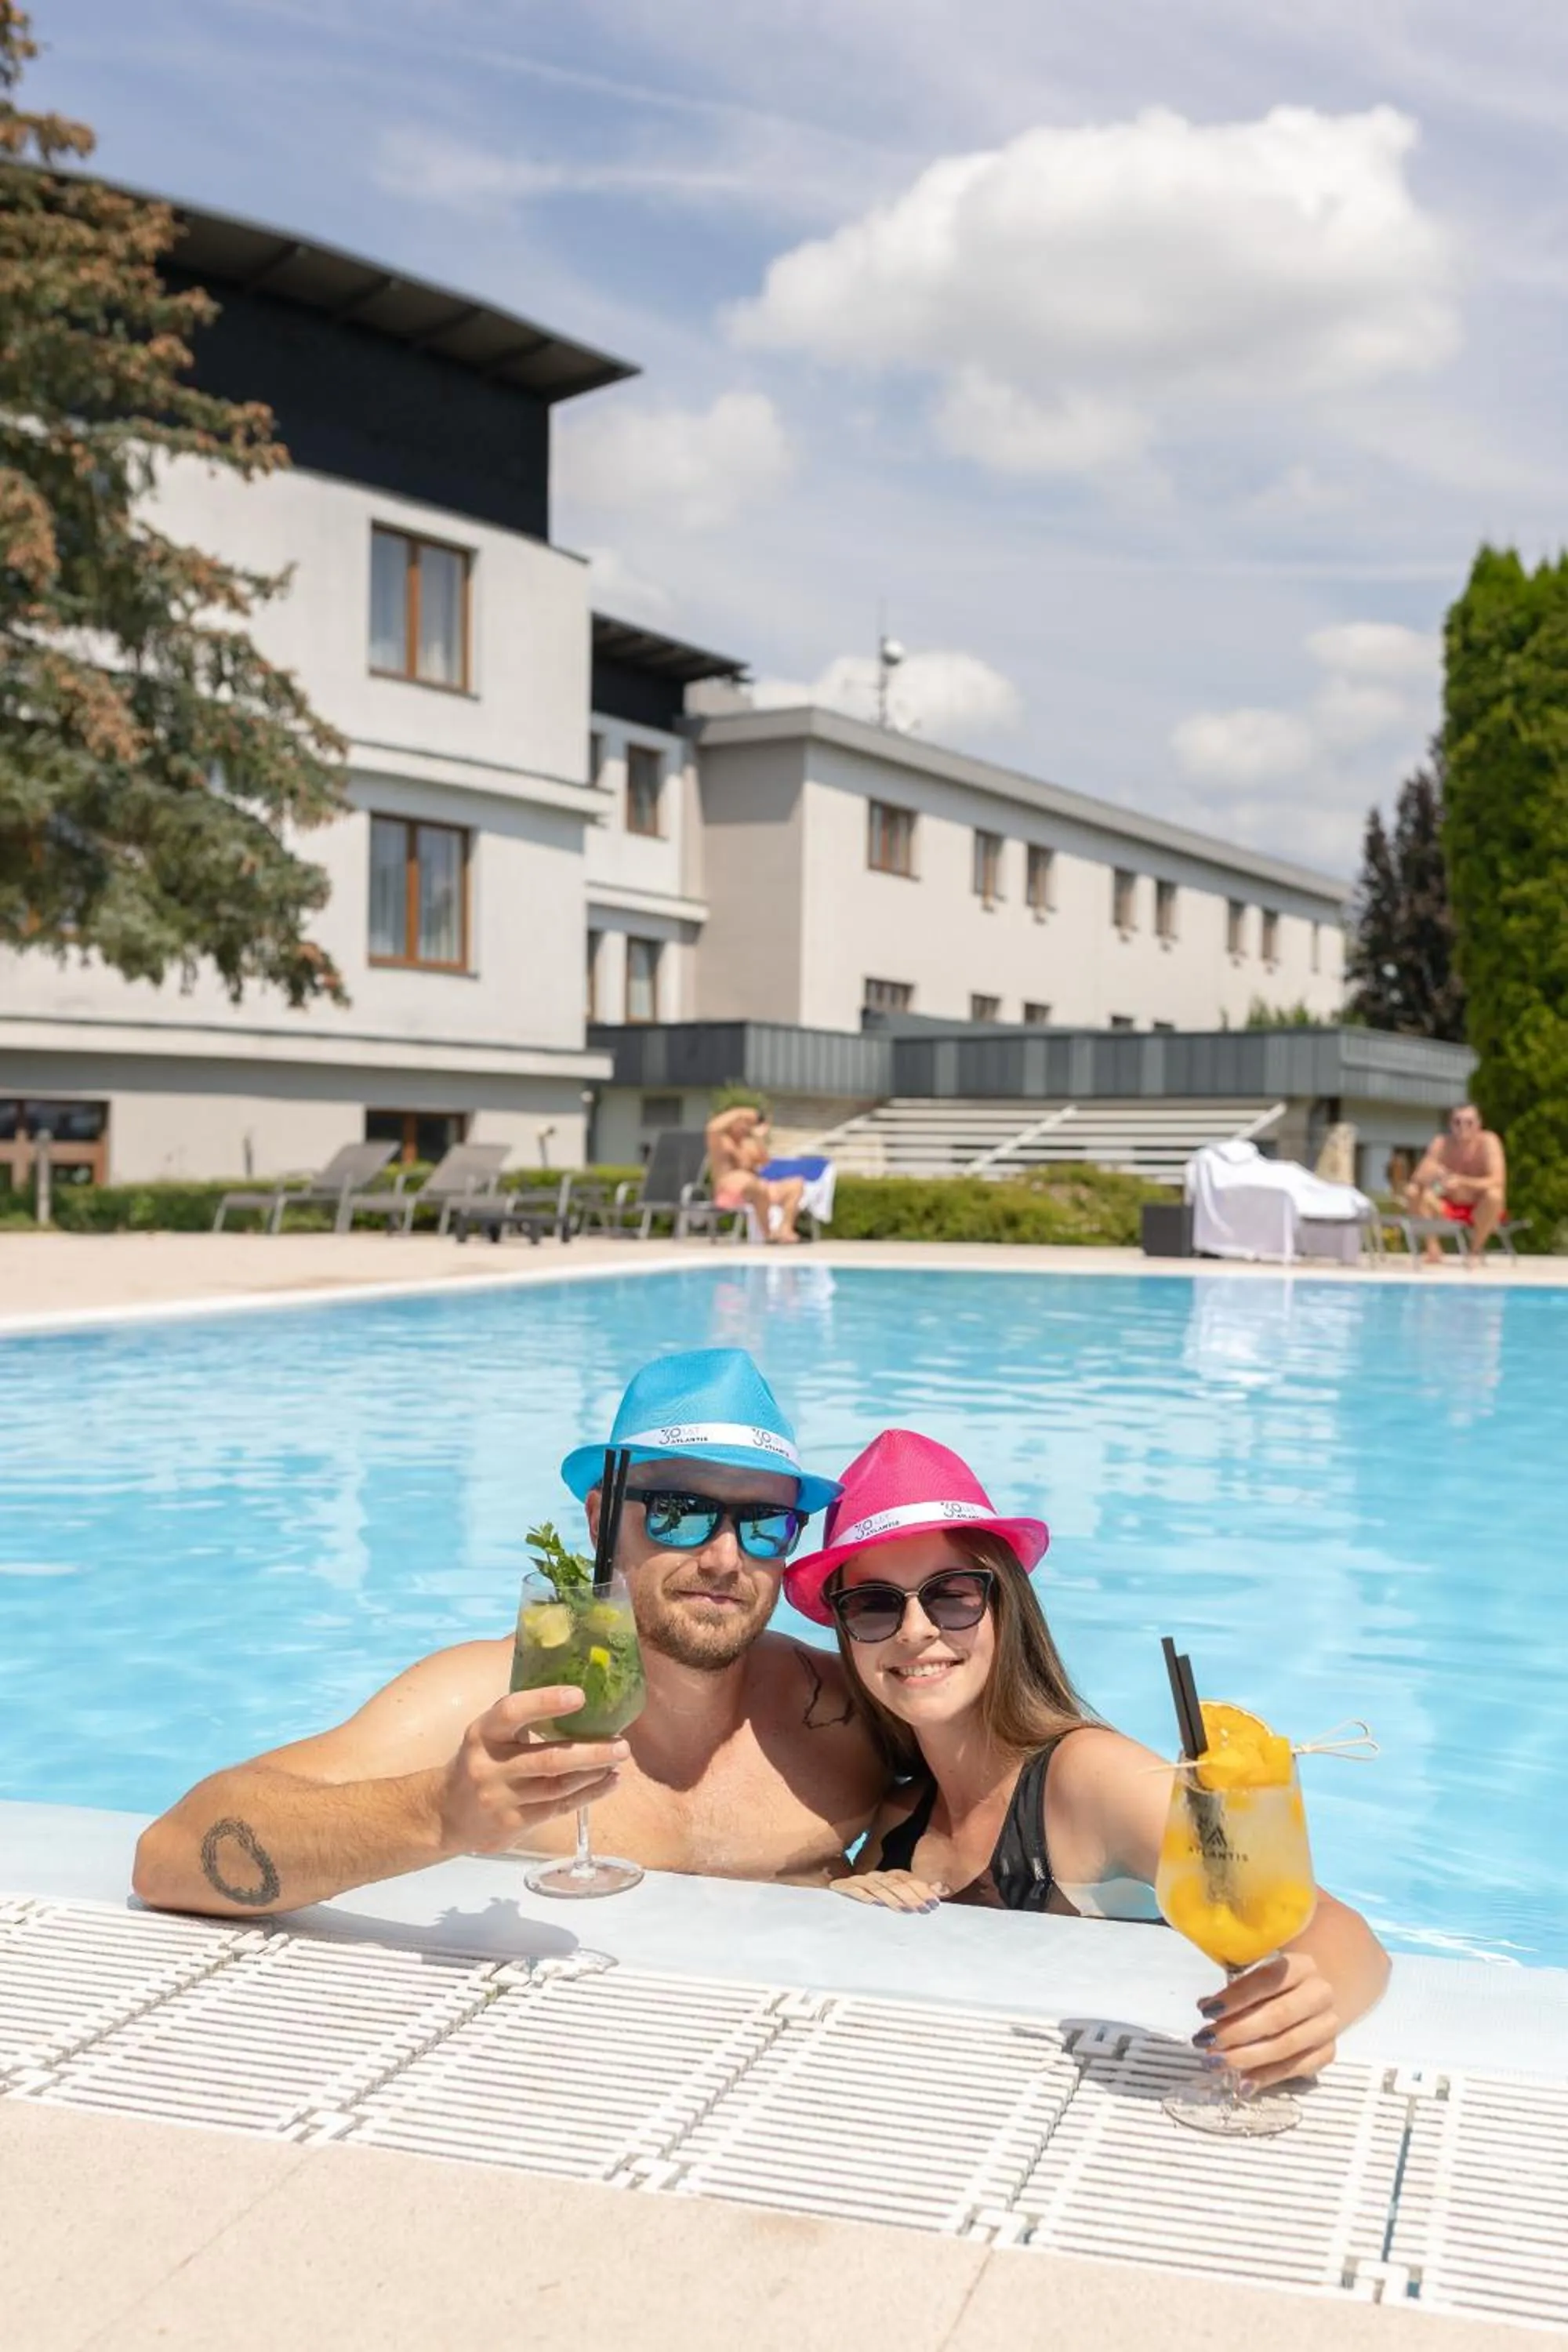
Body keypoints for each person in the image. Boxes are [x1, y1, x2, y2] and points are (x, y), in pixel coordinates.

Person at [132, 1350, 884, 1918]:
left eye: (763, 1527)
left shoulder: (849, 1714)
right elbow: (166, 1856)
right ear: (600, 1520)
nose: (724, 1558)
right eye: (679, 1513)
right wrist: (437, 1812)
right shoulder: (493, 1701)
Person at [786, 1429, 1392, 2092]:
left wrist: (1310, 2004)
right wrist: (845, 1901)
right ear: (845, 1634)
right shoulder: (900, 1818)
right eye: (872, 1605)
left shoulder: (1087, 1778)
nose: (915, 1630)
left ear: (1004, 1607)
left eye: (952, 1593)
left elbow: (1335, 1927)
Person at [1406, 1104, 1508, 1262]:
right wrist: (1436, 1174)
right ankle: (1433, 1248)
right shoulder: (1441, 1143)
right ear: (1450, 1124)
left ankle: (1475, 1250)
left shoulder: (1488, 1142)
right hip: (1447, 1204)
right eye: (1457, 1122)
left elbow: (1498, 1180)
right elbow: (1417, 1178)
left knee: (1495, 1195)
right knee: (1413, 1191)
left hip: (1479, 1207)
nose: (1462, 1127)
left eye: (1469, 1122)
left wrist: (1462, 1181)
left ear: (1479, 1124)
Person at [705, 1103, 805, 1244]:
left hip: (756, 1190)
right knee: (754, 1184)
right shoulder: (720, 1141)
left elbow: (764, 1161)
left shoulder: (747, 1143)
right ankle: (769, 1234)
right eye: (743, 1121)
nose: (746, 1126)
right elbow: (712, 1128)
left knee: (796, 1184)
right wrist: (739, 1111)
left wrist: (759, 1138)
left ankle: (785, 1229)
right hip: (729, 1189)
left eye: (748, 1123)